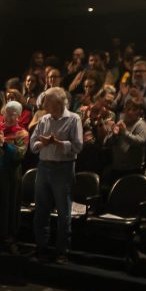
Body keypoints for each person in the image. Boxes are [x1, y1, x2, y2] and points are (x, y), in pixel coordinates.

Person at [30, 87, 83, 263]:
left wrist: (58, 143)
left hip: (63, 168)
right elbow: (33, 144)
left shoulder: (74, 119)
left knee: (63, 212)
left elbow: (77, 146)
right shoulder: (43, 119)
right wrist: (42, 143)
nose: (44, 104)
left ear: (58, 102)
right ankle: (41, 247)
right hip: (44, 166)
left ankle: (62, 251)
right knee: (41, 210)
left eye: (47, 101)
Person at [0, 101, 28, 252]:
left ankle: (9, 238)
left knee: (9, 204)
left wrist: (3, 144)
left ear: (19, 116)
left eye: (12, 114)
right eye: (6, 113)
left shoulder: (22, 133)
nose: (8, 116)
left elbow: (19, 154)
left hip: (11, 175)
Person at [103, 98, 146, 184]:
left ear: (140, 112)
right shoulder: (121, 122)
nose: (130, 112)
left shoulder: (141, 124)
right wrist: (114, 135)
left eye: (134, 110)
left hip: (132, 170)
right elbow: (106, 143)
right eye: (128, 109)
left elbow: (140, 142)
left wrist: (124, 133)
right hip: (117, 168)